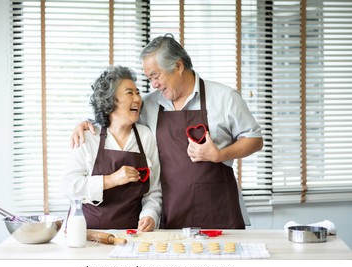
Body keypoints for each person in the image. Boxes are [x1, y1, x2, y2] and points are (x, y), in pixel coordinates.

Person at [71, 34, 263, 229]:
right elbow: (116, 117)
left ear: (178, 66)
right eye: (149, 78)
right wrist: (87, 122)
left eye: (156, 76)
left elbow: (254, 139)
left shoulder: (225, 98)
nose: (153, 84)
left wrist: (219, 154)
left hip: (218, 209)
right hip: (171, 213)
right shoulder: (149, 104)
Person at [61, 65, 162, 232]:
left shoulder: (145, 136)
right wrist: (111, 180)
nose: (138, 99)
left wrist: (150, 214)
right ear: (110, 100)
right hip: (89, 234)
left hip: (133, 235)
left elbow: (154, 191)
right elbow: (69, 187)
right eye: (130, 93)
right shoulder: (87, 136)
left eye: (138, 93)